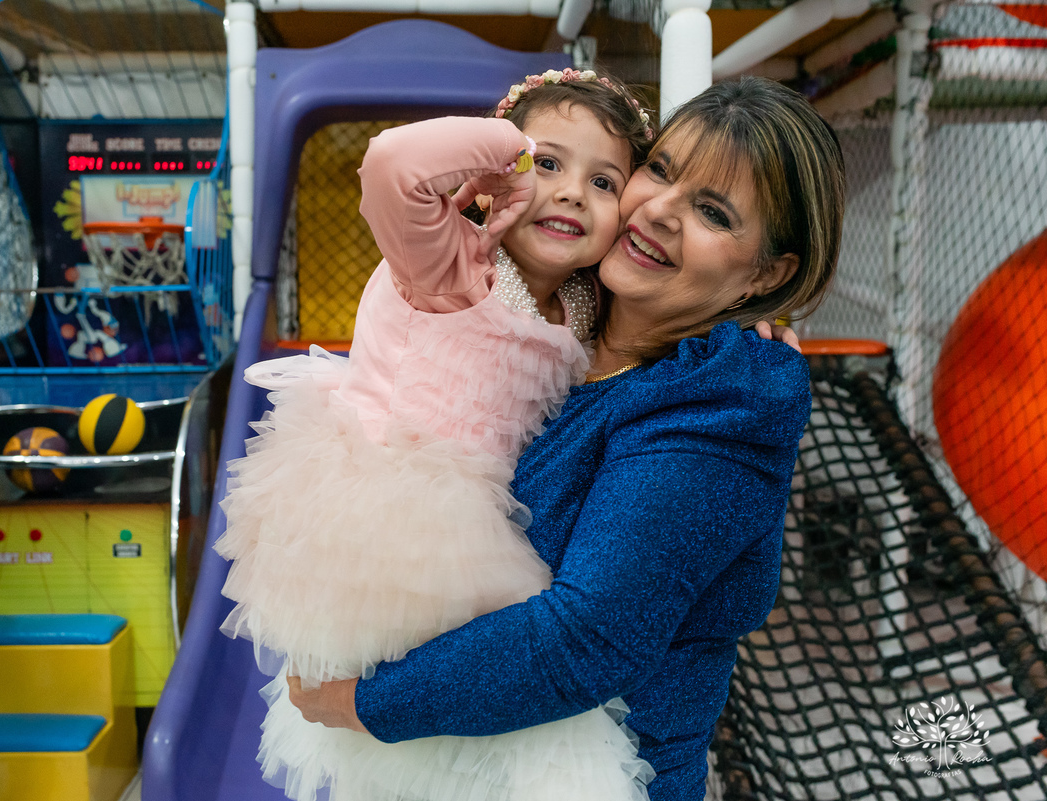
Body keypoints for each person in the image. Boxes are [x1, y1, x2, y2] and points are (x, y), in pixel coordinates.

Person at [283, 76, 845, 801]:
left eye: (711, 211)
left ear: (766, 272)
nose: (659, 211)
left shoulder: (719, 404)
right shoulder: (564, 307)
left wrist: (358, 701)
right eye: (662, 172)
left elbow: (586, 638)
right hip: (454, 762)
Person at [216, 68, 659, 801]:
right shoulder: (453, 260)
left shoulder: (581, 302)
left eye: (605, 182)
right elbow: (392, 164)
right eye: (548, 163)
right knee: (502, 731)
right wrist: (505, 143)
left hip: (483, 532)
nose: (575, 192)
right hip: (394, 528)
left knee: (465, 741)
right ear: (494, 174)